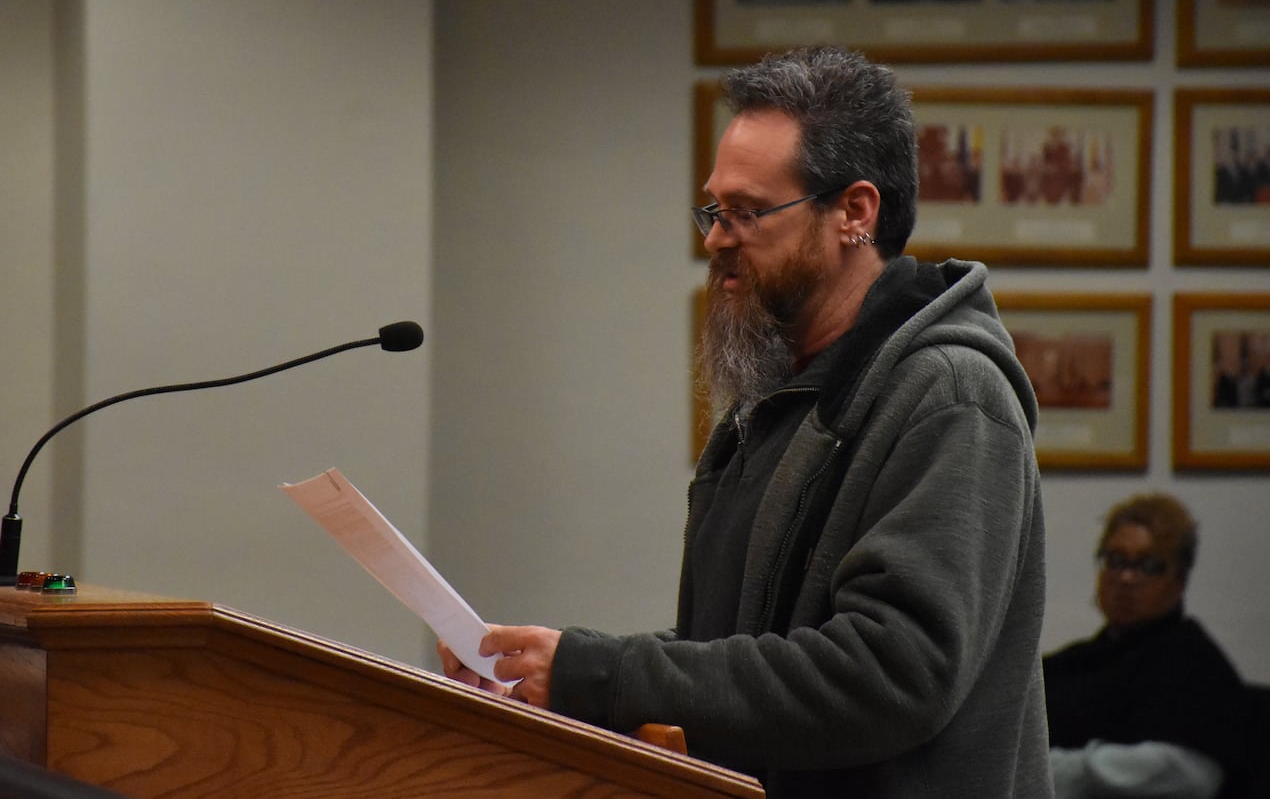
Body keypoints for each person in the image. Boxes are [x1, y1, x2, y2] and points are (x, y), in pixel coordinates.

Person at [439, 46, 1052, 797]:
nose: (715, 239)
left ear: (855, 213)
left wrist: (603, 676)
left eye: (748, 212)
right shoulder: (778, 399)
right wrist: (553, 674)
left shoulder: (950, 395)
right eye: (714, 209)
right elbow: (736, 652)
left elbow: (895, 670)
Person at [1043, 493, 1251, 798]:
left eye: (1148, 565)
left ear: (1179, 581)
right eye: (1115, 561)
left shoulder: (1193, 662)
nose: (1126, 578)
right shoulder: (1074, 662)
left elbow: (1190, 777)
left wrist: (1050, 770)